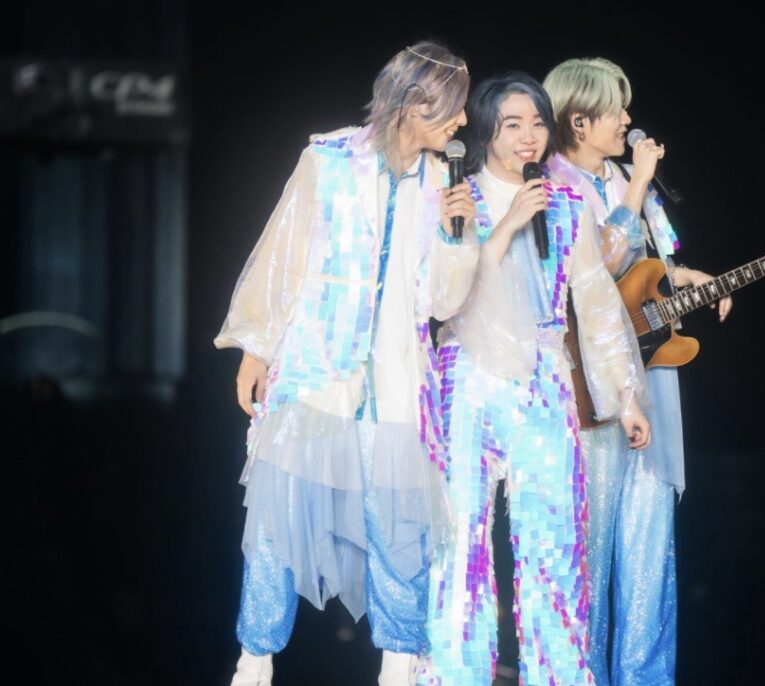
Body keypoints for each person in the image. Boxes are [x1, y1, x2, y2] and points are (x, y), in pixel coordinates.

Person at [214, 42, 478, 686]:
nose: (463, 120)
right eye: (453, 106)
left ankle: (399, 667)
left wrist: (458, 235)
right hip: (315, 369)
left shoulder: (441, 183)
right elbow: (282, 256)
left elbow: (442, 302)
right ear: (414, 103)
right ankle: (254, 662)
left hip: (394, 379)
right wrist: (256, 347)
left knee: (398, 528)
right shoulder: (327, 161)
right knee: (278, 520)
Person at [417, 71, 650, 686]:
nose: (529, 137)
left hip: (545, 379)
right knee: (458, 543)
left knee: (554, 544)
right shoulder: (456, 197)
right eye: (513, 124)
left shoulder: (566, 204)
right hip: (466, 376)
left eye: (538, 123)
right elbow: (444, 300)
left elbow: (596, 305)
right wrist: (507, 225)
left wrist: (626, 396)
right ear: (486, 130)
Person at [543, 57, 733, 686]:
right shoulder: (553, 182)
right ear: (579, 120)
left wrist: (686, 276)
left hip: (649, 372)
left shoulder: (628, 177)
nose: (628, 119)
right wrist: (637, 184)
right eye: (616, 109)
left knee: (651, 546)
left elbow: (646, 266)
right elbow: (596, 262)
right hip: (587, 385)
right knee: (588, 549)